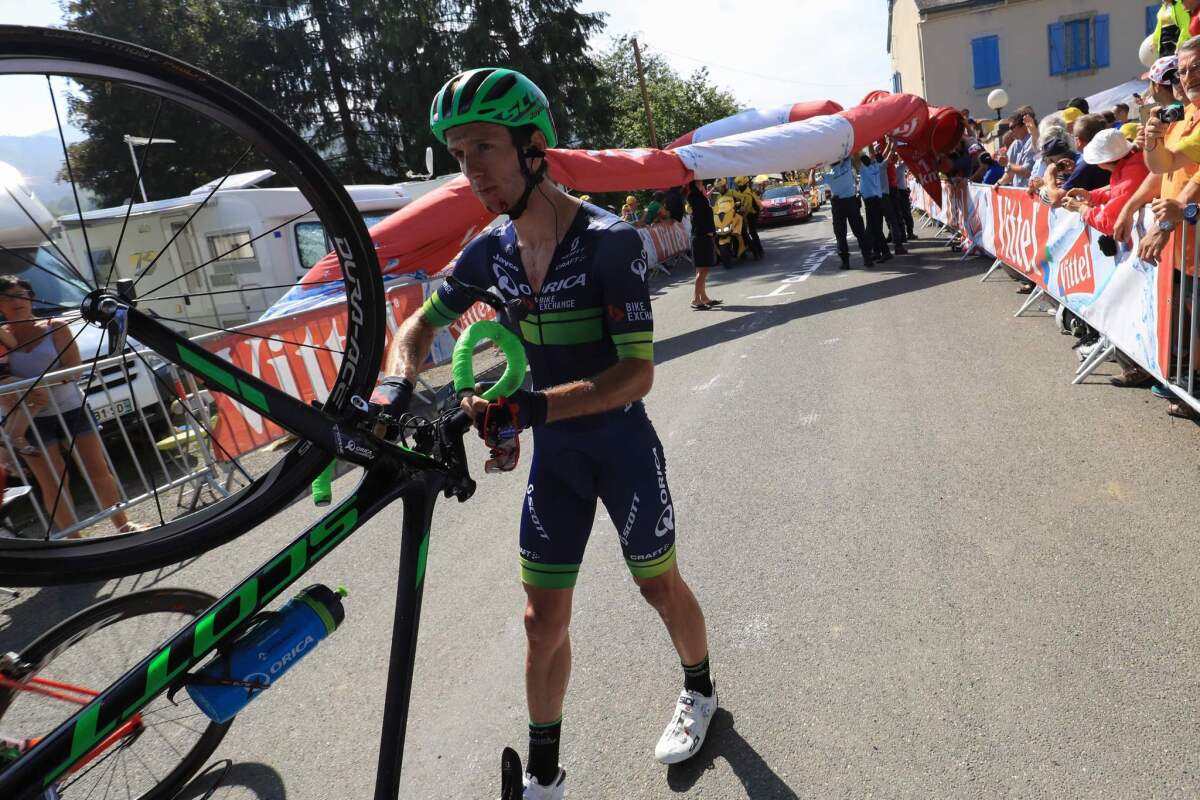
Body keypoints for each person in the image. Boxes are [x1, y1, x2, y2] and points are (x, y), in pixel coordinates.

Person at [377, 68, 717, 798]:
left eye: (485, 150)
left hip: (621, 445)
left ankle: (701, 689)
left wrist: (527, 411)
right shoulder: (488, 250)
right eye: (459, 156)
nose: (471, 172)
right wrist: (393, 383)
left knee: (658, 586)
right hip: (557, 457)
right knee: (541, 621)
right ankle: (543, 778)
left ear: (534, 148)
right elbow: (414, 327)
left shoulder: (609, 240)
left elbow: (635, 375)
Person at [0, 275, 148, 536]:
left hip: (72, 409)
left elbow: (74, 369)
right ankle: (75, 541)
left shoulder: (55, 326)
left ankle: (123, 524)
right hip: (31, 421)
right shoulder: (3, 339)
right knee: (54, 483)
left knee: (97, 470)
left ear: (31, 297)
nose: (17, 302)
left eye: (21, 294)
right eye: (8, 297)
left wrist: (35, 385)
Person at [1062, 129, 1150, 236]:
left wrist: (1080, 207)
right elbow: (1120, 196)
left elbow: (1108, 223)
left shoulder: (1128, 179)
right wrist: (1091, 196)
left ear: (1102, 163)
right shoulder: (1132, 162)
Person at [0, 325, 49, 473]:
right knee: (40, 395)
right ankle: (17, 437)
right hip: (2, 379)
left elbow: (13, 343)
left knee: (15, 411)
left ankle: (4, 463)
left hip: (5, 375)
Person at [823, 157, 874, 268]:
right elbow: (848, 153)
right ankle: (867, 258)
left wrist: (812, 169)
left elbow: (811, 182)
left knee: (840, 235)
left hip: (838, 205)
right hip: (851, 203)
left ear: (831, 165)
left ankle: (845, 262)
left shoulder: (829, 175)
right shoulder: (846, 166)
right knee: (860, 232)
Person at [686, 181, 720, 310]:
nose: (703, 186)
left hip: (701, 237)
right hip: (701, 238)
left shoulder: (699, 199)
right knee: (702, 271)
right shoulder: (698, 201)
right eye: (700, 184)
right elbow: (701, 220)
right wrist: (709, 232)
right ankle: (696, 299)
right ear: (696, 186)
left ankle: (703, 297)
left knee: (702, 271)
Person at [731, 176, 764, 259]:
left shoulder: (747, 194)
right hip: (746, 214)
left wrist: (740, 214)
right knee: (743, 232)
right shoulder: (742, 192)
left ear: (745, 184)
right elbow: (739, 200)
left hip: (751, 214)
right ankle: (744, 251)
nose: (739, 186)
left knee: (750, 232)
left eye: (740, 185)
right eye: (738, 185)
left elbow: (746, 208)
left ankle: (758, 251)